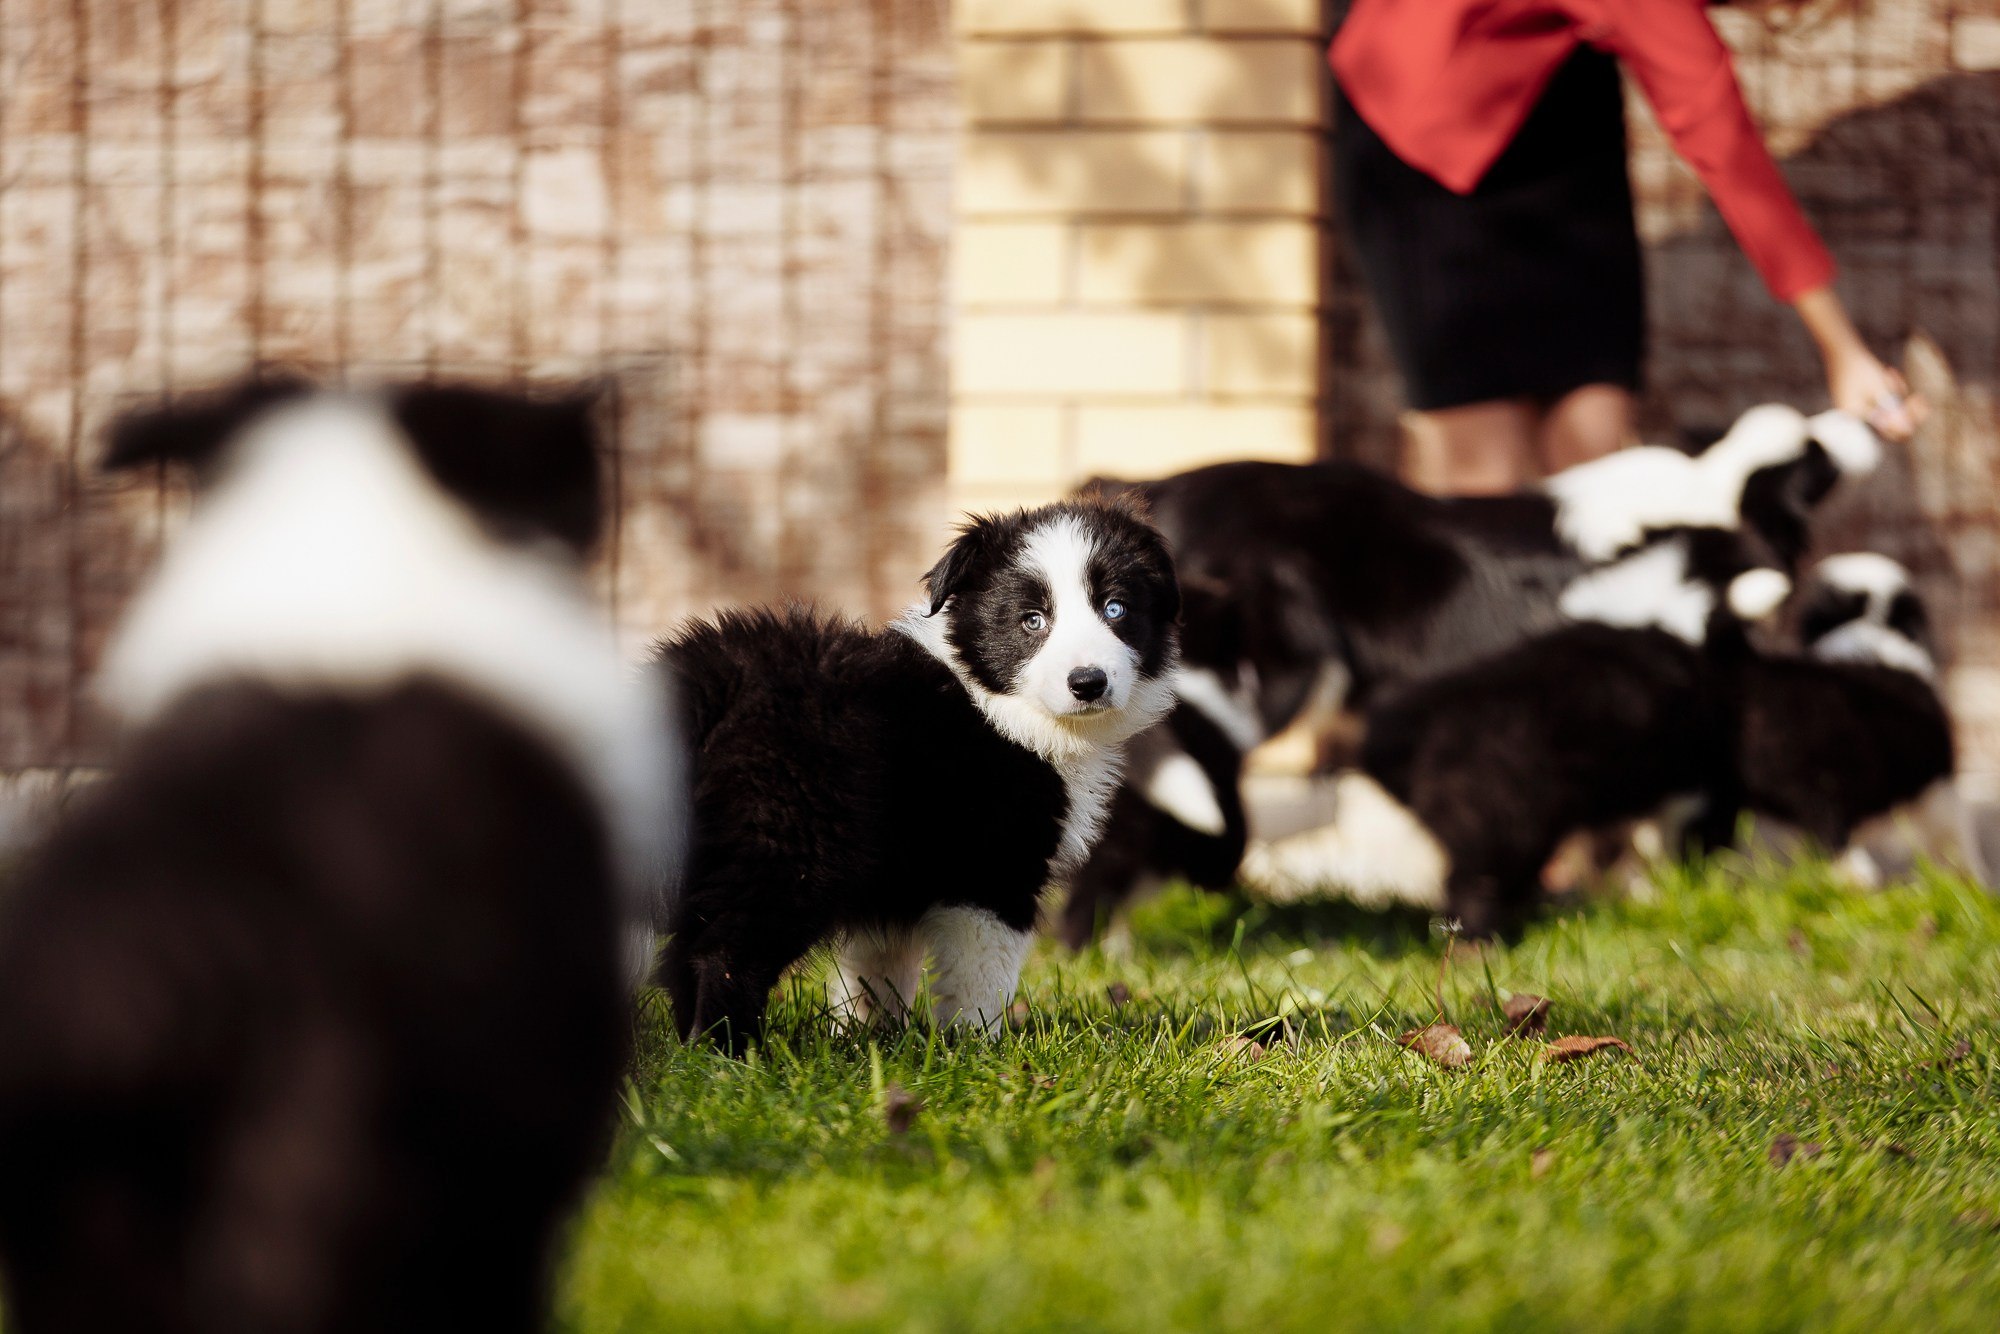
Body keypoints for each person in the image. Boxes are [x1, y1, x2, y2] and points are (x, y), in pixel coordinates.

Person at [1331, 0, 1921, 495]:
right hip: (1418, 131)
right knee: (1486, 474)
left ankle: (1584, 627)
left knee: (1595, 465)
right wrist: (1842, 350)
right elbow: (1718, 133)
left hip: (1558, 104)